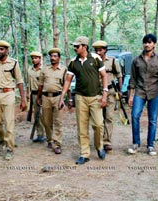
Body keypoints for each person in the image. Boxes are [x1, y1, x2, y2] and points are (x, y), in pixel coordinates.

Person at [58, 36, 108, 165]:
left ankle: (99, 146)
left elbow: (104, 76)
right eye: (74, 46)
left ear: (84, 47)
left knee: (98, 124)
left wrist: (105, 94)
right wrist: (62, 96)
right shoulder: (73, 62)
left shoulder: (96, 59)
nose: (75, 48)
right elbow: (68, 80)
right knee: (82, 126)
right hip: (80, 97)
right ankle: (84, 153)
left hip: (95, 97)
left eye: (77, 46)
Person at [127, 34, 158, 156]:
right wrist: (130, 96)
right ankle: (135, 144)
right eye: (145, 42)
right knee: (135, 116)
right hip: (139, 91)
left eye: (150, 42)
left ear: (154, 44)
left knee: (153, 120)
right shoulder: (136, 60)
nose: (147, 44)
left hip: (154, 92)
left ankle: (150, 145)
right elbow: (133, 79)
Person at [0, 40, 27, 160]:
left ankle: (10, 148)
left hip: (8, 94)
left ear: (7, 50)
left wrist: (23, 99)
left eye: (1, 49)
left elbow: (19, 81)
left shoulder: (13, 63)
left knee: (9, 123)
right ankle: (2, 139)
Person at [37, 48, 71, 154]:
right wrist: (38, 97)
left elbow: (67, 85)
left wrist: (69, 99)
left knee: (58, 121)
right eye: (51, 56)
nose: (52, 58)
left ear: (59, 57)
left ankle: (57, 144)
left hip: (58, 97)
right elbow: (41, 85)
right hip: (45, 97)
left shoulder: (64, 69)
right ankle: (50, 139)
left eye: (55, 56)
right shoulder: (44, 69)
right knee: (47, 121)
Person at [92, 40, 123, 152]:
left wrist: (120, 90)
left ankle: (107, 141)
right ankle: (99, 140)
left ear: (105, 50)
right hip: (97, 92)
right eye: (96, 50)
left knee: (109, 117)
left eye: (100, 50)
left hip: (110, 92)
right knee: (98, 119)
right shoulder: (93, 62)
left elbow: (119, 75)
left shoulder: (112, 61)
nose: (98, 52)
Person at [26, 51, 46, 143]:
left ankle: (48, 133)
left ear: (40, 59)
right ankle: (40, 134)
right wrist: (27, 93)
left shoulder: (44, 69)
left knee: (44, 115)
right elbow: (28, 83)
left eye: (36, 58)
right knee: (36, 115)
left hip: (42, 95)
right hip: (33, 94)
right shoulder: (30, 70)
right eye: (33, 58)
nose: (34, 60)